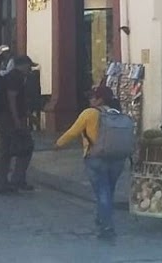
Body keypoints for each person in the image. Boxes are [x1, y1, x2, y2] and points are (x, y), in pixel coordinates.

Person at [55, 85, 126, 241]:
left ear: (100, 99)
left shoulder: (89, 113)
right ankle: (102, 217)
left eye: (92, 97)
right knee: (109, 190)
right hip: (117, 159)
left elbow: (72, 132)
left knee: (102, 192)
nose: (90, 100)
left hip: (96, 158)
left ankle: (107, 226)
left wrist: (58, 144)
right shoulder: (118, 113)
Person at [0, 54, 36, 195]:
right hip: (9, 120)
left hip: (5, 119)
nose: (30, 69)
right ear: (23, 65)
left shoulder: (12, 77)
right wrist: (17, 120)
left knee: (10, 150)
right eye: (29, 66)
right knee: (23, 147)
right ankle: (11, 181)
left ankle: (9, 181)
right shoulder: (15, 78)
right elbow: (11, 99)